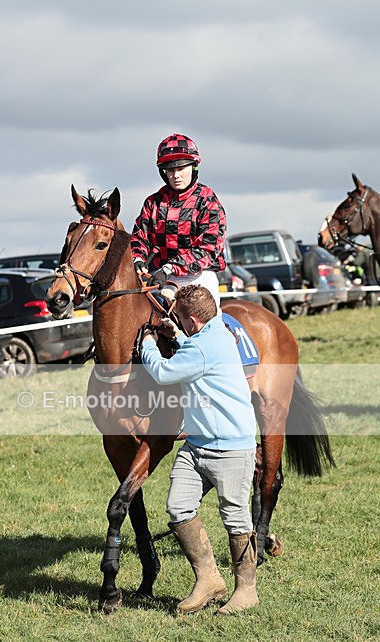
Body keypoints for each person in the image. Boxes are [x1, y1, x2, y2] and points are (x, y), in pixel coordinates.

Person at [141, 285, 258, 615]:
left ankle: (246, 591)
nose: (176, 319)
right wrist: (176, 333)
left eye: (179, 317)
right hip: (197, 446)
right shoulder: (213, 332)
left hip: (231, 449)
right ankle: (208, 579)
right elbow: (196, 347)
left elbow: (164, 372)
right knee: (178, 507)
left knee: (235, 519)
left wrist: (149, 344)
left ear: (193, 319)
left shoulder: (205, 347)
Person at [131, 133, 227, 307]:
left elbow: (208, 248)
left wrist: (170, 268)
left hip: (198, 277)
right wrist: (137, 259)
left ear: (194, 167)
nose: (176, 175)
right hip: (159, 277)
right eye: (170, 170)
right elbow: (139, 238)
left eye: (181, 169)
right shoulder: (153, 202)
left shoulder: (208, 201)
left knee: (204, 325)